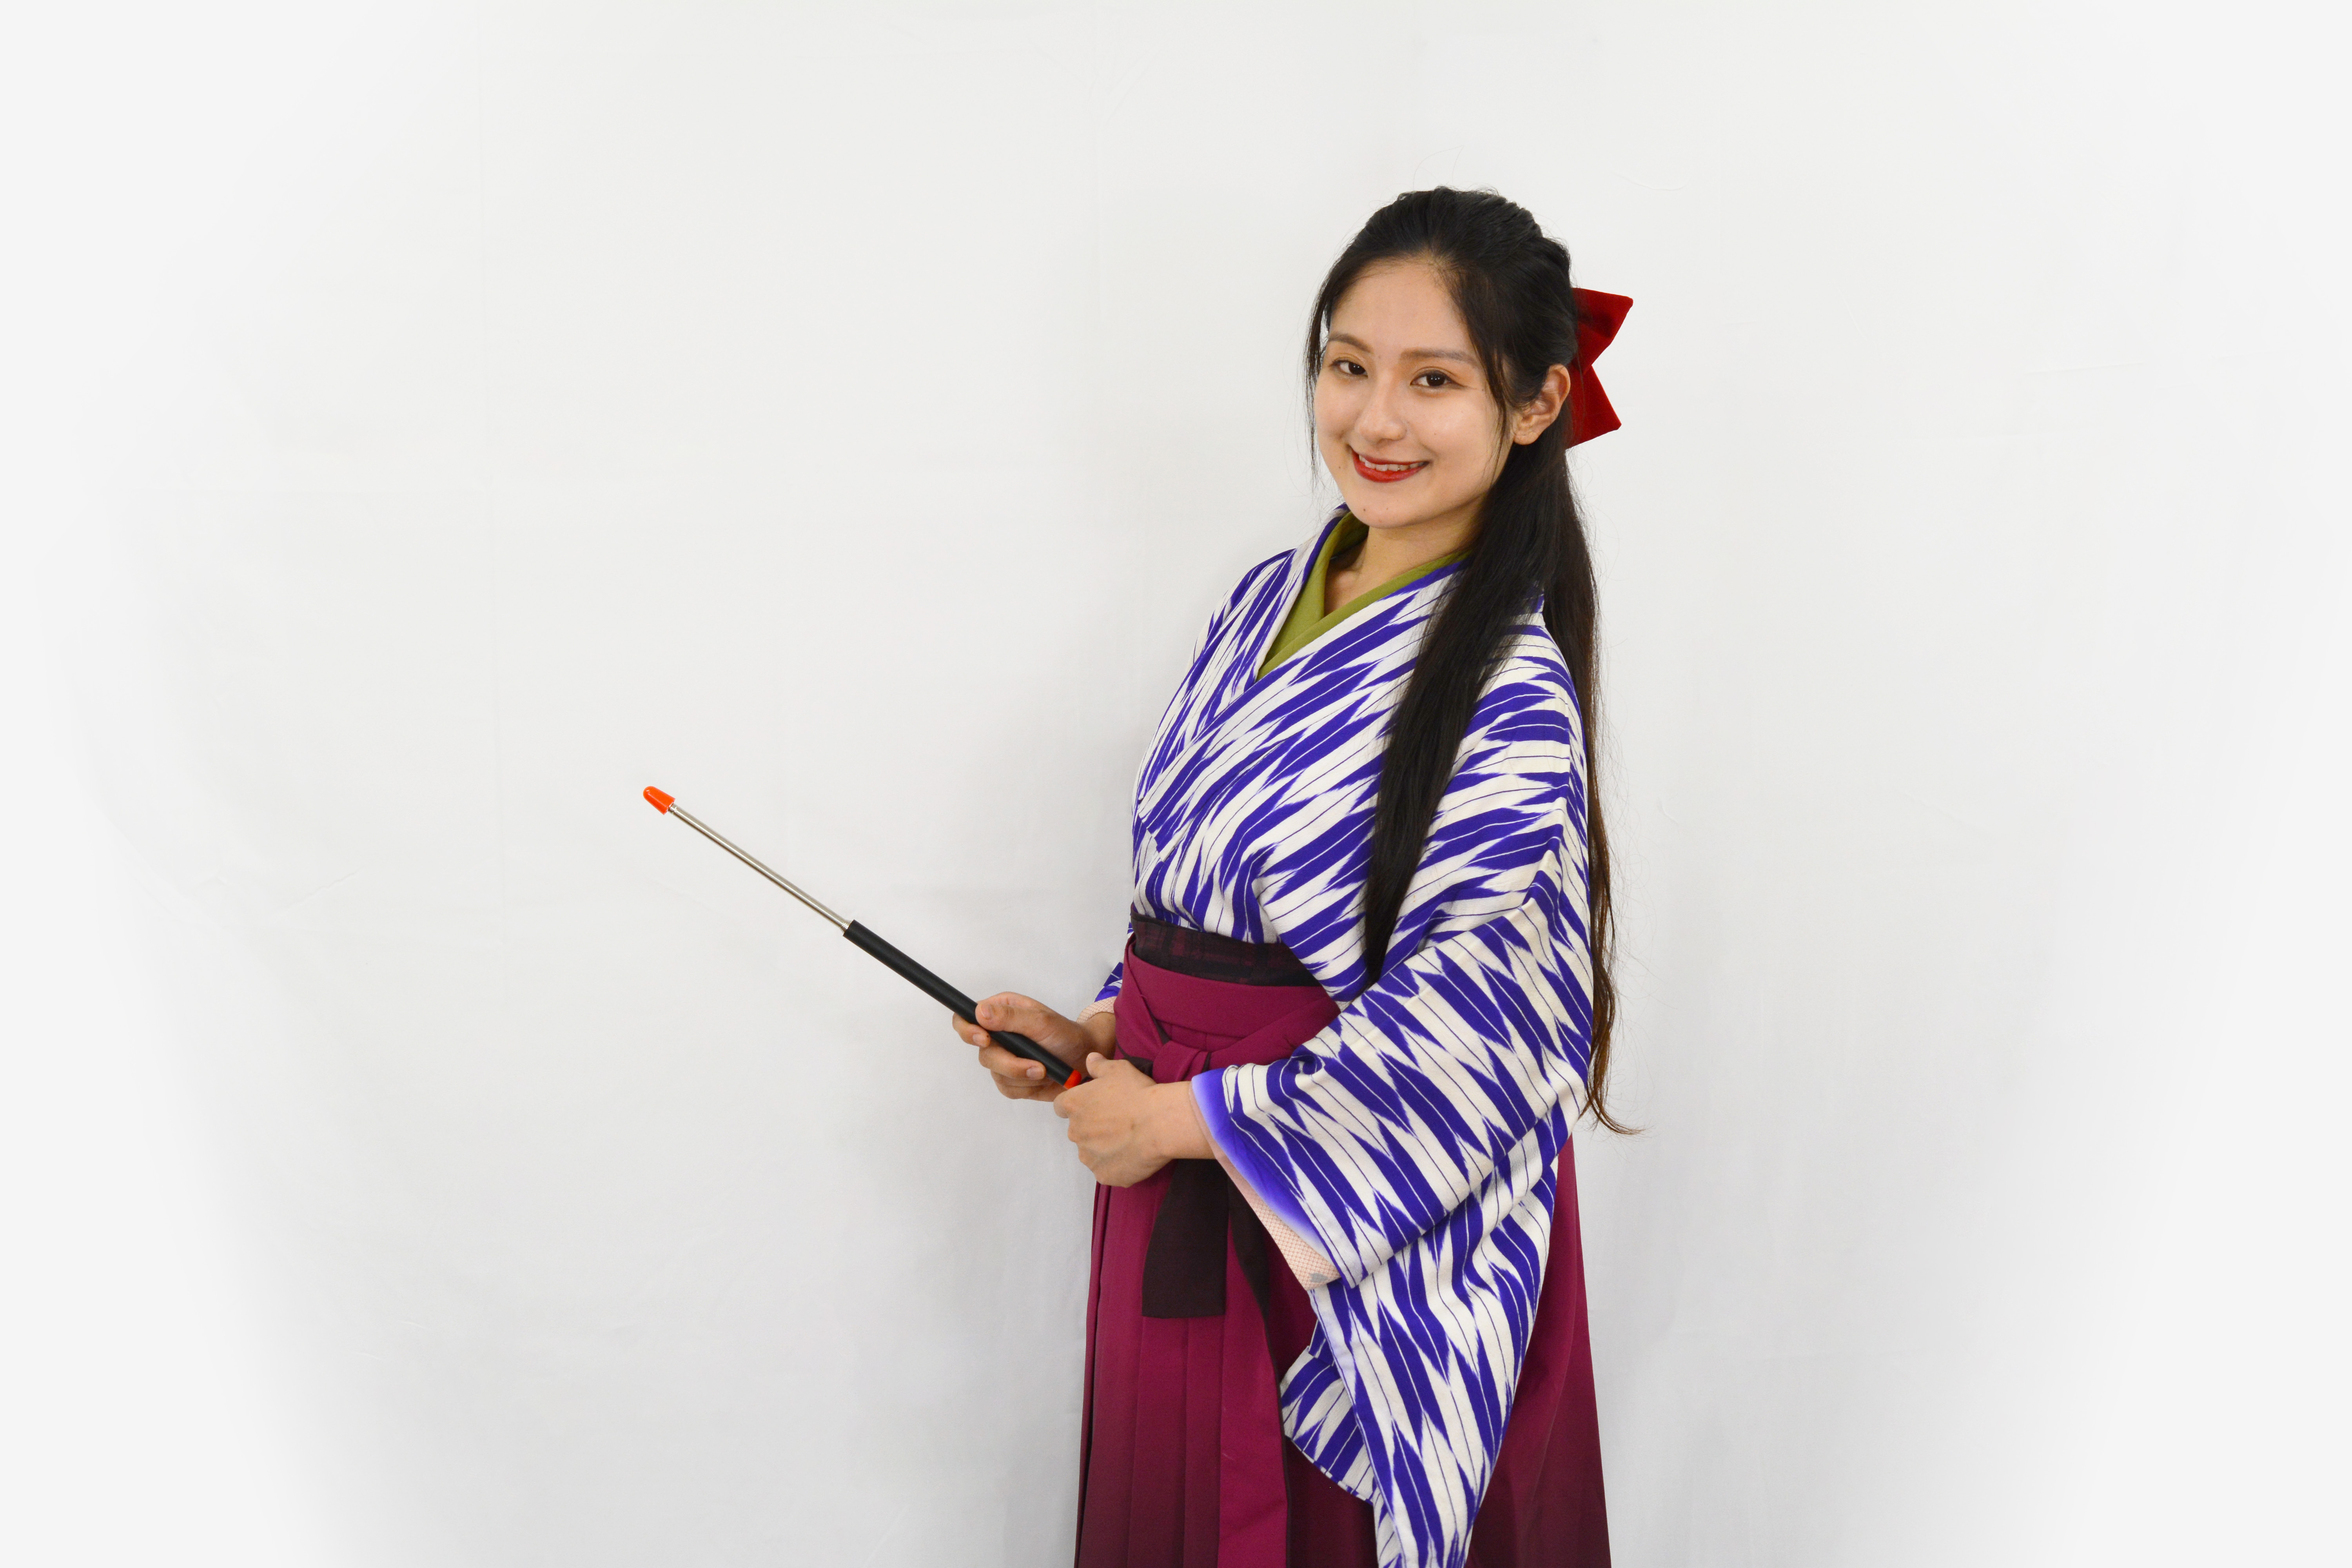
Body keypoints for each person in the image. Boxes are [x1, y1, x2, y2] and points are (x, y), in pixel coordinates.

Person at [950, 187, 1630, 1568]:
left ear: (1535, 403)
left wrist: (1181, 1118)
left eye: (1434, 381)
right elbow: (1205, 891)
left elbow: (1478, 1040)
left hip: (1345, 1220)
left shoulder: (1510, 691)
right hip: (1183, 1156)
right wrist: (1096, 1034)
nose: (1375, 420)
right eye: (1347, 365)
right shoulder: (1266, 597)